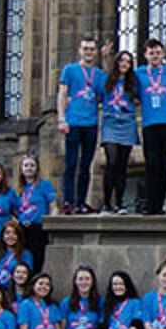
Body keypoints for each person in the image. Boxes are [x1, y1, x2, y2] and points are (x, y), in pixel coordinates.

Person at [56, 37, 107, 214]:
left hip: (91, 122)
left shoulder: (98, 74)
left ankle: (81, 202)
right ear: (80, 51)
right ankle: (68, 201)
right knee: (71, 163)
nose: (88, 52)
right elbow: (62, 94)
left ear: (95, 52)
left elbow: (105, 91)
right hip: (73, 121)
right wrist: (61, 118)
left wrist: (106, 59)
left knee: (86, 165)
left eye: (92, 49)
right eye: (85, 49)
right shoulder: (70, 70)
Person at [135, 39, 166, 215]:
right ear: (145, 55)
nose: (155, 56)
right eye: (151, 53)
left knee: (165, 165)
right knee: (152, 165)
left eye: (158, 53)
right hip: (150, 124)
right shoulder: (139, 73)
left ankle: (159, 205)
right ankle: (150, 204)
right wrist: (106, 59)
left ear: (163, 55)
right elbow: (118, 77)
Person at [101, 49, 141, 215]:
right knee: (112, 161)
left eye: (128, 62)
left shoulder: (133, 82)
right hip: (110, 122)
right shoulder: (107, 80)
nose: (125, 64)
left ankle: (119, 203)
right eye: (122, 60)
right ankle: (106, 203)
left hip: (127, 123)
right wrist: (104, 57)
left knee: (122, 165)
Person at [14, 155, 58, 272]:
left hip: (38, 228)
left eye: (32, 165)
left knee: (37, 260)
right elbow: (15, 210)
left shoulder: (44, 185)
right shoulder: (19, 189)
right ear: (21, 169)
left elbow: (53, 206)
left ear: (37, 168)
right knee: (23, 260)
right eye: (26, 165)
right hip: (22, 229)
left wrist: (51, 224)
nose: (29, 168)